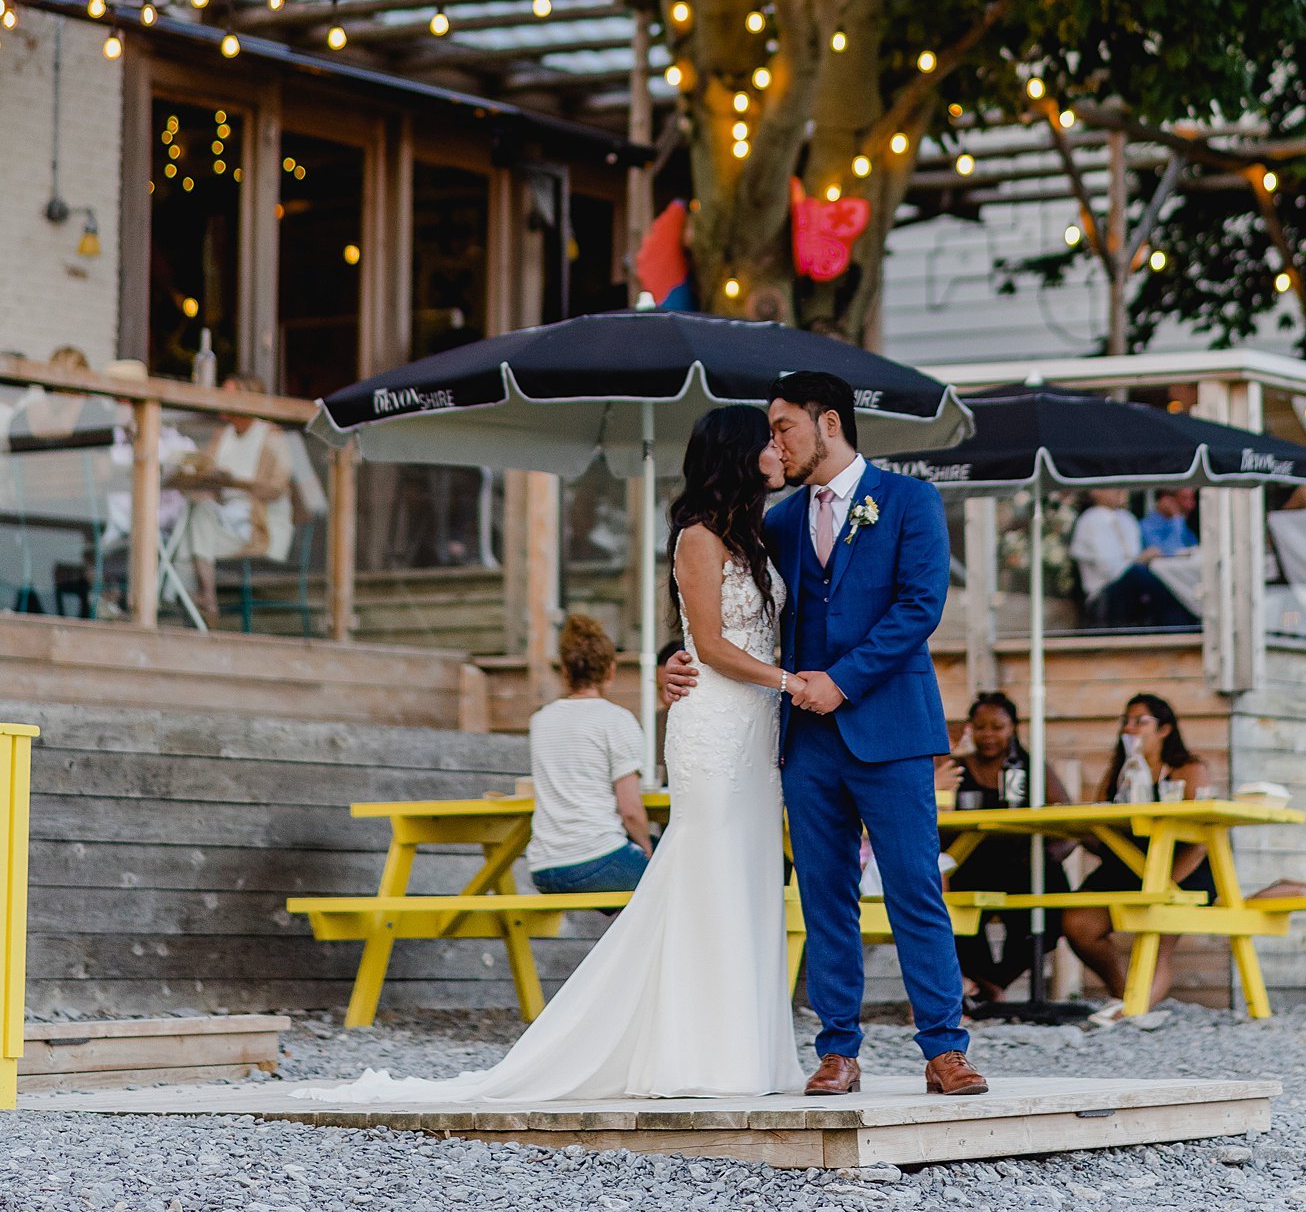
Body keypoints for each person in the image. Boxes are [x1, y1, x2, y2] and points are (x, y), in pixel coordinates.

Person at [302, 402, 805, 1105]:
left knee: (747, 877)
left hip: (758, 736)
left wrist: (743, 676)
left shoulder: (760, 533)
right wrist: (788, 682)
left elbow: (729, 632)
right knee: (705, 876)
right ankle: (697, 1052)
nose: (782, 450)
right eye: (771, 440)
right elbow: (712, 641)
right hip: (717, 731)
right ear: (743, 451)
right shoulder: (698, 536)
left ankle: (747, 1048)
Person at [668, 369, 988, 1099]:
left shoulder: (911, 500)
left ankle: (945, 1049)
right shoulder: (774, 523)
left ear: (830, 422)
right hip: (805, 743)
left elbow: (919, 608)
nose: (773, 443)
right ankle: (838, 1049)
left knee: (914, 889)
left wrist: (840, 680)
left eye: (784, 426)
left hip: (893, 729)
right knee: (823, 896)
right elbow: (724, 609)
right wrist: (674, 658)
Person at [1061, 693, 1212, 1020]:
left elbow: (1200, 840)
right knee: (1076, 921)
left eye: (1140, 721)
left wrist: (1164, 883)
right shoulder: (1118, 772)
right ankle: (1124, 992)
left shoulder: (1189, 769)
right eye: (1126, 721)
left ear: (1165, 729)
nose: (1130, 728)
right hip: (1123, 864)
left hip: (1179, 865)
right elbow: (1098, 828)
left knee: (1158, 934)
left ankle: (1132, 1009)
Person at [937, 692, 1072, 1015]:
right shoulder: (955, 767)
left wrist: (1048, 855)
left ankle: (992, 984)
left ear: (1014, 728)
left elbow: (1066, 821)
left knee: (1051, 909)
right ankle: (988, 985)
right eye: (980, 727)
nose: (988, 735)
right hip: (970, 863)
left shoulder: (1030, 768)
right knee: (957, 913)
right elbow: (934, 811)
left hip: (1022, 865)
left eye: (997, 727)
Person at [526, 615, 653, 896]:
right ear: (610, 670)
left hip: (544, 867)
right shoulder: (617, 720)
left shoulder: (540, 720)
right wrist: (646, 849)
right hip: (595, 859)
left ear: (566, 672)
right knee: (672, 876)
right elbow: (630, 810)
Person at [172, 374, 294, 619]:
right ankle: (202, 600)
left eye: (227, 395)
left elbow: (278, 488)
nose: (220, 400)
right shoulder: (223, 435)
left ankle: (196, 601)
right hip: (223, 516)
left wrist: (235, 482)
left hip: (256, 521)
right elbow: (208, 475)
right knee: (191, 515)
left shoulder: (271, 436)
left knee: (192, 527)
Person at [1071, 490, 1196, 630]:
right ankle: (1179, 629)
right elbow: (1110, 569)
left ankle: (1183, 627)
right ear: (1096, 492)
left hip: (1132, 591)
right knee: (1140, 575)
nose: (1120, 491)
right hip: (1103, 596)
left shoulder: (1127, 519)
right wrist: (1140, 560)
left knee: (1163, 579)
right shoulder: (1090, 520)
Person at [1139, 488, 1198, 557]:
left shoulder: (1182, 524)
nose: (1191, 505)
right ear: (1166, 499)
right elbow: (1172, 553)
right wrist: (1176, 518)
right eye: (1185, 499)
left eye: (1192, 499)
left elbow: (1195, 550)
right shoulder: (1146, 526)